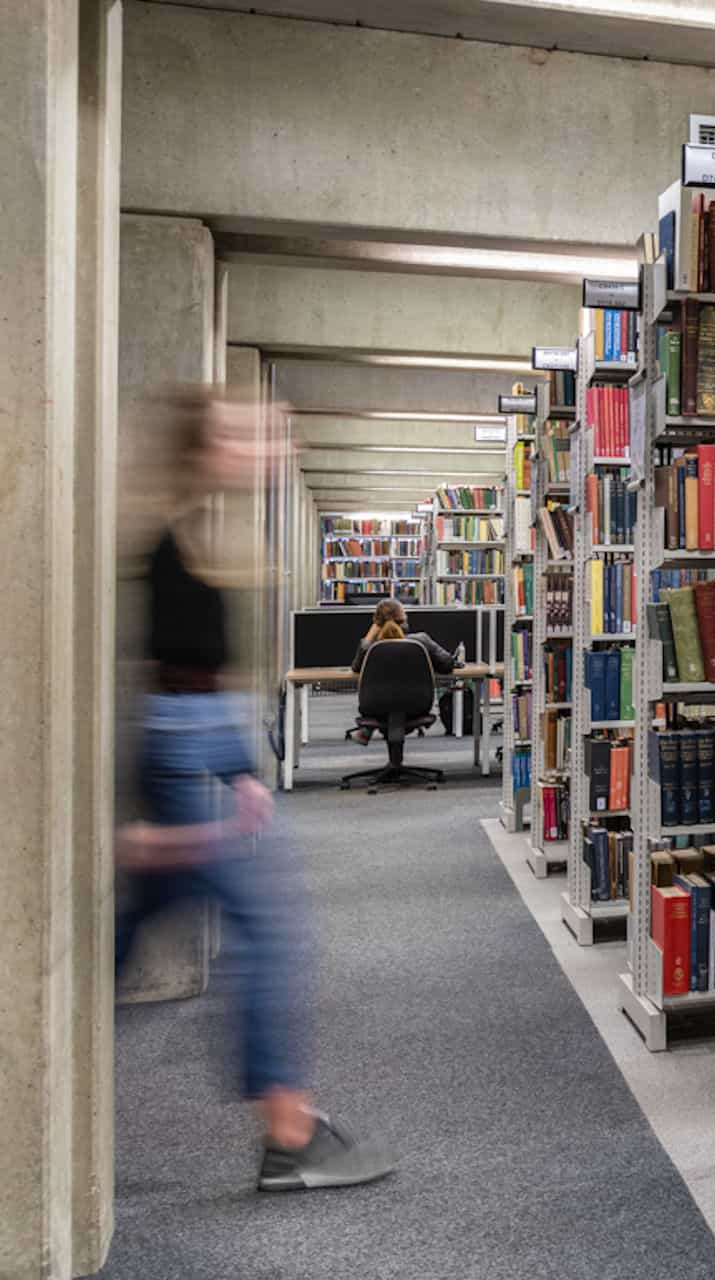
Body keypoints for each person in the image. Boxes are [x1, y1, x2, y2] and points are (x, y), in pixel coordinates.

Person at [116, 386, 396, 1194]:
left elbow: (193, 669)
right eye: (245, 434)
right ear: (206, 448)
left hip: (196, 747)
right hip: (179, 753)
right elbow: (174, 680)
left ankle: (28, 1060)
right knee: (273, 930)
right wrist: (209, 777)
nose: (272, 444)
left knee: (115, 938)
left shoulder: (203, 524)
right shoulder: (174, 528)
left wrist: (241, 765)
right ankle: (289, 1133)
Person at [350, 599, 457, 744]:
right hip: (417, 704)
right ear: (403, 619)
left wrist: (371, 634)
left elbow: (356, 667)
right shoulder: (421, 641)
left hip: (375, 706)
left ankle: (367, 731)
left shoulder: (372, 648)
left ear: (376, 622)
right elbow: (447, 664)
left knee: (386, 704)